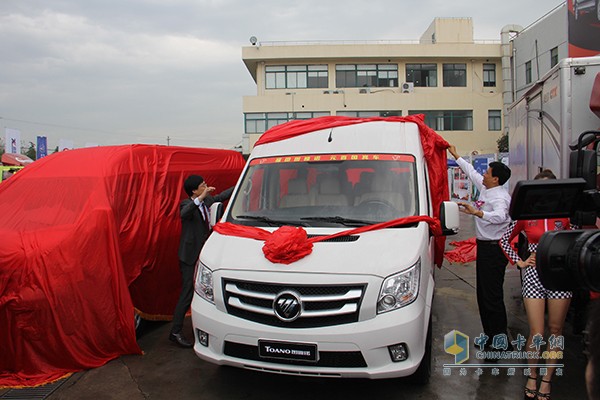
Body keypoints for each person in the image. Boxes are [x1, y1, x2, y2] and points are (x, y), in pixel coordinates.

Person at [499, 169, 574, 400]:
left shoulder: (567, 215)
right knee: (537, 331)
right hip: (533, 274)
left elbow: (580, 239)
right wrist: (519, 262)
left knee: (555, 329)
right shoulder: (526, 216)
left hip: (560, 274)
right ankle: (532, 375)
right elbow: (504, 239)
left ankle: (547, 380)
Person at [447, 145, 512, 352]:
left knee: (492, 295)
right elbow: (471, 171)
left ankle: (501, 341)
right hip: (485, 248)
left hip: (495, 250)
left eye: (488, 173)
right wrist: (456, 154)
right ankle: (490, 335)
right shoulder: (486, 188)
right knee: (483, 295)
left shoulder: (500, 197)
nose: (483, 174)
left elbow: (501, 217)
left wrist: (478, 213)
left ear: (496, 179)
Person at [169, 175, 234, 348]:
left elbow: (220, 198)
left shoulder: (206, 200)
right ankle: (175, 331)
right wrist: (201, 198)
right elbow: (185, 213)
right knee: (187, 292)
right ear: (194, 190)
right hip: (189, 256)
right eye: (202, 185)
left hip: (203, 255)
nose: (206, 186)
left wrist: (240, 186)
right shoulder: (187, 204)